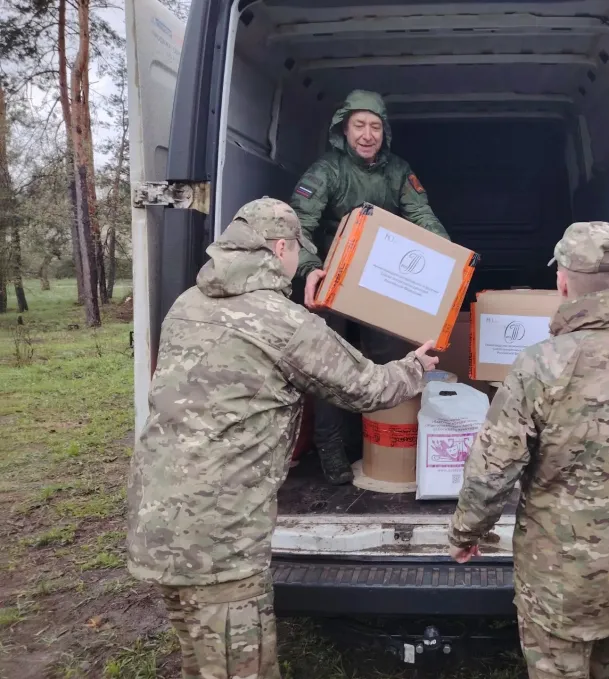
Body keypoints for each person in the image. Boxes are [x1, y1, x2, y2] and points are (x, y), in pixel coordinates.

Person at [126, 197, 439, 679]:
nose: (299, 261)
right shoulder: (282, 322)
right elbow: (367, 387)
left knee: (199, 661)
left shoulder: (187, 304)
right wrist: (416, 365)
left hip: (159, 518)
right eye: (297, 251)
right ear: (280, 247)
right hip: (221, 539)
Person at [447, 222, 609, 679]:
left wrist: (467, 533)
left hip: (557, 579)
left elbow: (492, 469)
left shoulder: (540, 364)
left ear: (562, 281)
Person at [290, 89, 449, 484]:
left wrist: (448, 258)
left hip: (380, 279)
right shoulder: (326, 171)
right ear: (343, 130)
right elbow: (297, 227)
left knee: (387, 358)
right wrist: (309, 267)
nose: (367, 134)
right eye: (359, 125)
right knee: (330, 365)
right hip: (331, 278)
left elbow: (420, 214)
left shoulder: (398, 170)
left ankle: (374, 440)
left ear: (385, 132)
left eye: (375, 126)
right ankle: (331, 447)